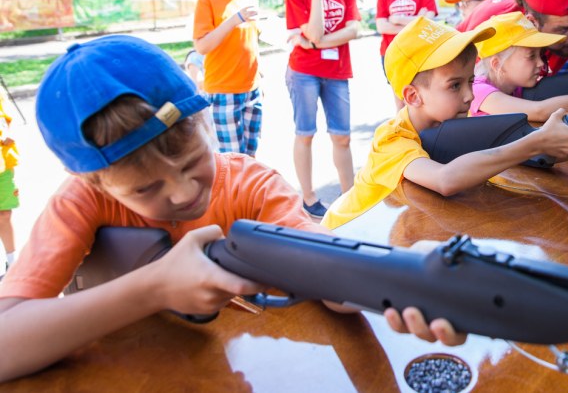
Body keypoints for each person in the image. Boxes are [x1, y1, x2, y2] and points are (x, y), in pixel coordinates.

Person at [0, 35, 462, 383]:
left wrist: (395, 285)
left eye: (190, 162)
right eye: (145, 190)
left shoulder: (250, 182)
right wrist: (154, 288)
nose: (182, 194)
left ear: (206, 121)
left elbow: (327, 268)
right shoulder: (81, 200)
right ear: (94, 181)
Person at [320, 17, 568, 231]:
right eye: (454, 86)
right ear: (412, 95)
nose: (469, 96)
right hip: (340, 236)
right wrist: (535, 142)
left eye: (468, 81)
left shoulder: (449, 130)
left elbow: (528, 153)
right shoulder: (393, 139)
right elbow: (447, 179)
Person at [284, 0, 362, 218]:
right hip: (304, 71)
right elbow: (314, 29)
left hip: (337, 70)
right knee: (305, 133)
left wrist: (319, 42)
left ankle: (350, 196)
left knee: (342, 136)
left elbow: (354, 29)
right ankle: (308, 197)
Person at [192, 0, 263, 158]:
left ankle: (248, 195)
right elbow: (202, 46)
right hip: (224, 92)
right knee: (233, 162)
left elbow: (251, 40)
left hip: (252, 90)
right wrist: (234, 19)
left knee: (250, 159)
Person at [376, 0, 438, 111]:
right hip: (392, 52)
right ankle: (403, 134)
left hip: (419, 51)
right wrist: (415, 20)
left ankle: (423, 135)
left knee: (423, 99)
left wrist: (397, 19)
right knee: (401, 102)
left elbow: (427, 21)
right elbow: (381, 26)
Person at [0, 93, 20, 280]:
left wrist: (7, 133)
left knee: (5, 214)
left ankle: (12, 261)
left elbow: (4, 119)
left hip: (3, 164)